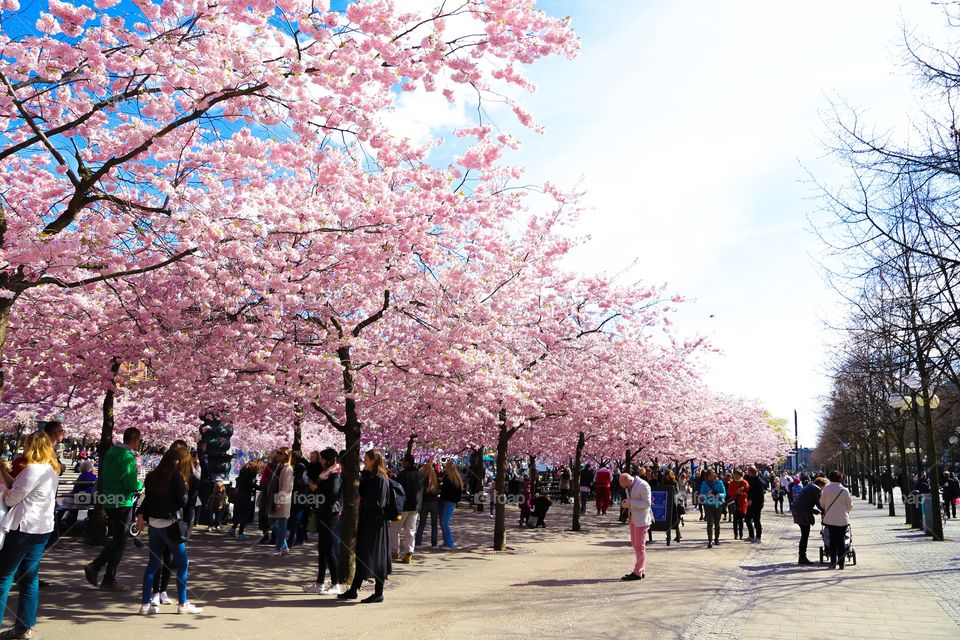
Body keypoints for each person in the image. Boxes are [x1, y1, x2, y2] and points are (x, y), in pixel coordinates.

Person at [0, 433, 61, 638]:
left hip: (23, 528)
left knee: (4, 577)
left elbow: (11, 499)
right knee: (29, 578)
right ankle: (24, 626)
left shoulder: (32, 470)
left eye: (26, 444)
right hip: (41, 528)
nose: (24, 448)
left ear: (32, 446)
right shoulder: (52, 470)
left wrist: (4, 493)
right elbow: (18, 486)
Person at [136, 446, 203, 615]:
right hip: (171, 525)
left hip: (154, 525)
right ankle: (183, 603)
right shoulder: (177, 478)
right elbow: (183, 502)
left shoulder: (151, 477)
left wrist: (140, 514)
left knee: (152, 565)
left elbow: (148, 499)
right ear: (177, 462)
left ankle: (145, 604)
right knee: (182, 563)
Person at [85, 427, 142, 592]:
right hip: (123, 501)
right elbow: (130, 484)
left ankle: (100, 570)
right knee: (120, 541)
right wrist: (140, 484)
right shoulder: (127, 457)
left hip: (109, 499)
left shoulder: (111, 453)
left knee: (118, 539)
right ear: (135, 439)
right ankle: (104, 574)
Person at [338, 450, 391, 603]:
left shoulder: (381, 479)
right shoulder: (368, 476)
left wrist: (362, 501)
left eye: (367, 459)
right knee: (362, 554)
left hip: (376, 524)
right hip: (367, 521)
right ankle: (354, 589)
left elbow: (379, 503)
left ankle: (378, 592)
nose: (364, 461)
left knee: (376, 556)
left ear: (374, 460)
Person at [303, 448, 342, 595]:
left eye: (322, 459)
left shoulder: (335, 474)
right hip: (324, 512)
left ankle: (335, 583)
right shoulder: (328, 474)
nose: (320, 461)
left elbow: (332, 494)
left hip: (331, 513)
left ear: (328, 460)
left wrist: (316, 489)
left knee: (329, 549)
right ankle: (320, 582)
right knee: (322, 549)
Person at [619, 472, 653, 581]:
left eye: (625, 486)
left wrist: (631, 503)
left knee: (639, 546)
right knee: (635, 545)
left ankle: (637, 572)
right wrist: (626, 504)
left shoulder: (643, 485)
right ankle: (641, 570)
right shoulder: (630, 485)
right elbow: (632, 501)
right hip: (633, 518)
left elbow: (647, 503)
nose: (625, 488)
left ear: (627, 480)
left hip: (641, 520)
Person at [390, 455, 423, 564]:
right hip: (415, 507)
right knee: (410, 530)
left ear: (407, 462)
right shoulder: (419, 474)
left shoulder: (403, 474)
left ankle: (394, 551)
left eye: (403, 461)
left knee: (394, 530)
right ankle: (409, 552)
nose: (402, 463)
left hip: (403, 506)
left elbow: (397, 487)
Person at [262, 448, 294, 556]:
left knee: (281, 522)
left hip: (282, 499)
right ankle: (283, 545)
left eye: (280, 453)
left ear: (285, 456)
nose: (277, 454)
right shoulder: (278, 466)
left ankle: (279, 547)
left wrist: (280, 501)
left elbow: (285, 486)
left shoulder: (287, 469)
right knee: (272, 521)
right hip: (273, 498)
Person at [819, 470, 853, 570]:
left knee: (832, 541)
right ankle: (841, 563)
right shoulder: (845, 490)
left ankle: (833, 563)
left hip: (830, 519)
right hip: (842, 519)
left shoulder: (826, 489)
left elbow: (822, 503)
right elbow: (850, 506)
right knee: (841, 541)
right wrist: (846, 510)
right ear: (840, 478)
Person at [793, 476, 826, 565]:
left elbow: (806, 502)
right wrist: (825, 511)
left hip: (798, 511)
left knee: (804, 535)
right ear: (820, 484)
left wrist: (814, 511)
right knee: (804, 535)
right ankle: (802, 557)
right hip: (802, 513)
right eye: (823, 487)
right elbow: (819, 503)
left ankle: (802, 556)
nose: (823, 490)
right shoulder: (815, 489)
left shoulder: (810, 486)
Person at [228, 459, 262, 540]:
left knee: (240, 512)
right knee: (244, 513)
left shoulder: (243, 469)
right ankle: (241, 533)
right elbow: (252, 483)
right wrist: (260, 488)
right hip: (246, 494)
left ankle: (233, 528)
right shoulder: (252, 472)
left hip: (240, 492)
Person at [438, 460, 463, 550]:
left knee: (444, 523)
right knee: (443, 522)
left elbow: (445, 490)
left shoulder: (448, 478)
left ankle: (449, 543)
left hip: (446, 501)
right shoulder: (457, 479)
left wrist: (440, 488)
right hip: (451, 502)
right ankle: (447, 542)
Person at [699, 469, 726, 548]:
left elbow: (724, 494)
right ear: (706, 476)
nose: (711, 477)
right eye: (709, 476)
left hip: (718, 505)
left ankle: (716, 539)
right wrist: (707, 493)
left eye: (712, 476)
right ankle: (710, 540)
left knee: (717, 523)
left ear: (714, 475)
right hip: (708, 505)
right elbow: (701, 494)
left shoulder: (720, 483)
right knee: (709, 523)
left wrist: (718, 495)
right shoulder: (704, 483)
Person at [416, 462, 440, 549]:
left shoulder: (421, 479)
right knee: (434, 525)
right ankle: (434, 544)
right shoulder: (434, 479)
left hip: (424, 503)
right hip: (434, 503)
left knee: (422, 524)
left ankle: (418, 543)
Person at [744, 466, 766, 543]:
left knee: (756, 520)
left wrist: (752, 500)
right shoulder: (748, 478)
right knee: (747, 519)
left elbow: (760, 493)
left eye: (748, 471)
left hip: (757, 503)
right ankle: (751, 535)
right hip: (749, 502)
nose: (747, 473)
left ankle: (758, 537)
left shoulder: (758, 481)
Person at [727, 470, 749, 541]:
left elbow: (747, 491)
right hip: (734, 502)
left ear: (741, 475)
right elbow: (729, 492)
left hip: (742, 502)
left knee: (741, 519)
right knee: (735, 519)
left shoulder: (744, 482)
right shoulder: (732, 482)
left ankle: (741, 534)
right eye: (735, 475)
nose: (736, 476)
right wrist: (736, 492)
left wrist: (741, 493)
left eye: (738, 475)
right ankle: (735, 534)